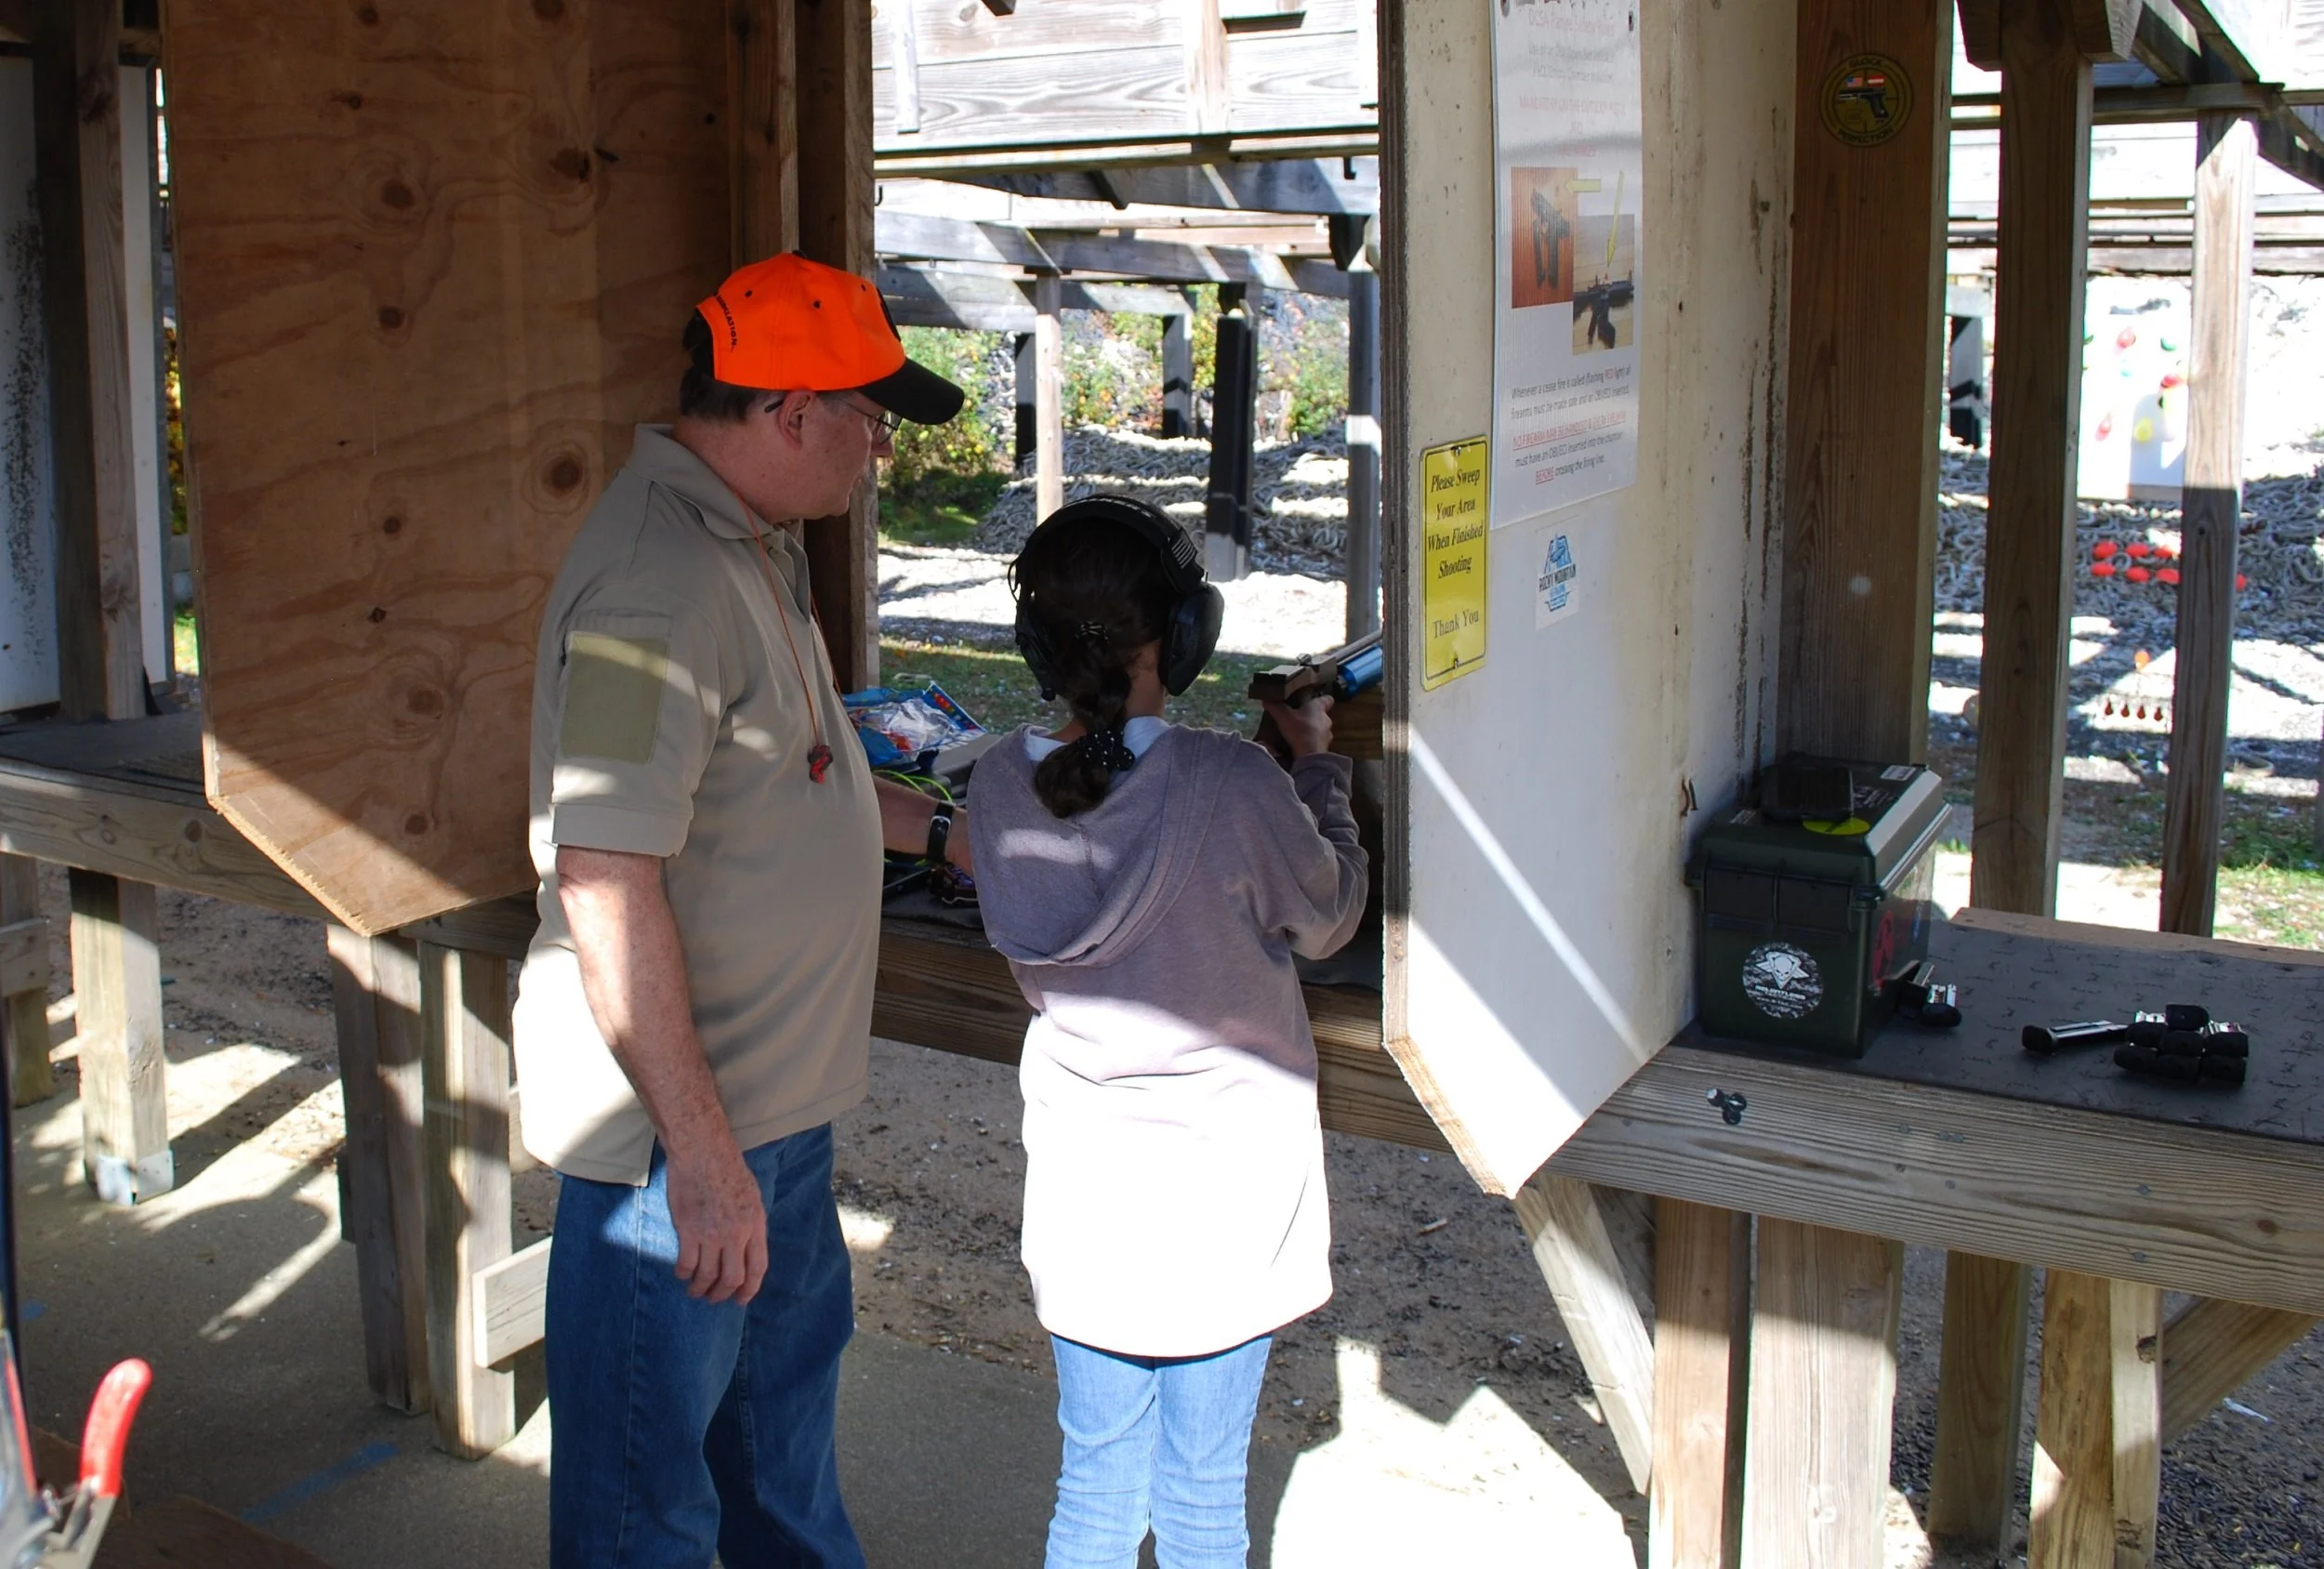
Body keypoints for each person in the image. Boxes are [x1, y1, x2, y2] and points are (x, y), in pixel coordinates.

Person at [512, 251, 972, 1568]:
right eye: (871, 420)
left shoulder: (751, 546)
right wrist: (703, 1163)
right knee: (643, 1518)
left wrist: (950, 833)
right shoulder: (659, 585)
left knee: (777, 1475)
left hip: (765, 1121)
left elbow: (797, 778)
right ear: (789, 412)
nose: (877, 451)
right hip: (677, 1146)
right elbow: (603, 871)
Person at [966, 496, 1369, 1568]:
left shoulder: (999, 785)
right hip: (1224, 1204)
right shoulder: (1236, 782)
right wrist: (1315, 767)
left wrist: (1251, 769)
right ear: (1184, 636)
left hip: (1085, 1197)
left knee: (1094, 1491)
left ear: (1035, 641)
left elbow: (1119, 808)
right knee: (1200, 1499)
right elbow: (1324, 915)